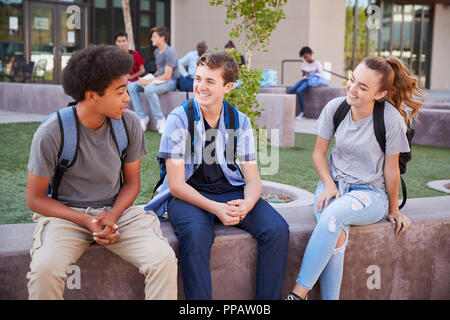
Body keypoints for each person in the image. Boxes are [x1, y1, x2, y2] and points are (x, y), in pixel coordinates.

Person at [25, 45, 177, 300]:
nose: (127, 98)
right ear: (92, 96)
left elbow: (132, 183)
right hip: (67, 217)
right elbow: (35, 199)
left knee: (162, 259)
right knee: (45, 269)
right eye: (120, 92)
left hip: (117, 212)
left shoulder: (128, 124)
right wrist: (86, 220)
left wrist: (112, 215)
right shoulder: (53, 131)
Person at [144, 50, 290, 300]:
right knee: (197, 236)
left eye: (210, 81)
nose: (200, 86)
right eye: (198, 78)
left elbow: (253, 178)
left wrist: (247, 203)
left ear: (228, 86)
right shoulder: (180, 118)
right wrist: (215, 209)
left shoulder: (239, 121)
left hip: (228, 190)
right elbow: (176, 185)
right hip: (187, 194)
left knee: (277, 230)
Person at [285, 56, 422, 300]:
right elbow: (318, 154)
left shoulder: (390, 119)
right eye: (352, 80)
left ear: (380, 94)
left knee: (333, 215)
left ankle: (298, 295)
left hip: (370, 195)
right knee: (336, 233)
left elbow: (392, 168)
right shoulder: (336, 108)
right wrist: (328, 185)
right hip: (333, 187)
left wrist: (393, 209)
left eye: (363, 87)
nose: (353, 89)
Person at [127, 26, 179, 133]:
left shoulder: (170, 52)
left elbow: (167, 76)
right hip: (158, 80)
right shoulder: (156, 52)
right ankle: (142, 117)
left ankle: (160, 120)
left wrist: (148, 82)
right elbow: (159, 71)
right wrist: (147, 78)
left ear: (162, 38)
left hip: (170, 82)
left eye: (154, 36)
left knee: (149, 89)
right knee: (132, 86)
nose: (151, 39)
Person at [289, 46, 328, 119]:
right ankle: (289, 110)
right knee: (291, 90)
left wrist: (311, 73)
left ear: (310, 54)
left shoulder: (317, 63)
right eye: (304, 57)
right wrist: (304, 73)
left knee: (299, 91)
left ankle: (302, 112)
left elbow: (322, 74)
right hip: (305, 79)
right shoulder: (304, 63)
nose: (306, 58)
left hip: (311, 80)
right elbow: (303, 75)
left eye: (306, 56)